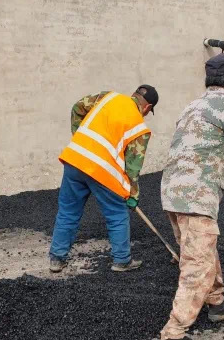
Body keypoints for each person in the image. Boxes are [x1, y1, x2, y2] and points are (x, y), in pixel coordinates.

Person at [158, 53, 224, 340]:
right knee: (197, 263)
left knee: (202, 249)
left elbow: (203, 155)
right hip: (196, 196)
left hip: (172, 191)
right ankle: (173, 334)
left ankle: (216, 303)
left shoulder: (191, 107)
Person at [49, 85, 159, 273]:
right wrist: (132, 194)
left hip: (75, 159)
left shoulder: (107, 97)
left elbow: (77, 107)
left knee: (68, 212)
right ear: (147, 107)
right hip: (102, 170)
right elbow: (132, 168)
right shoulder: (139, 127)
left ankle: (57, 259)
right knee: (117, 213)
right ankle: (122, 261)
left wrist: (78, 136)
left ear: (133, 94)